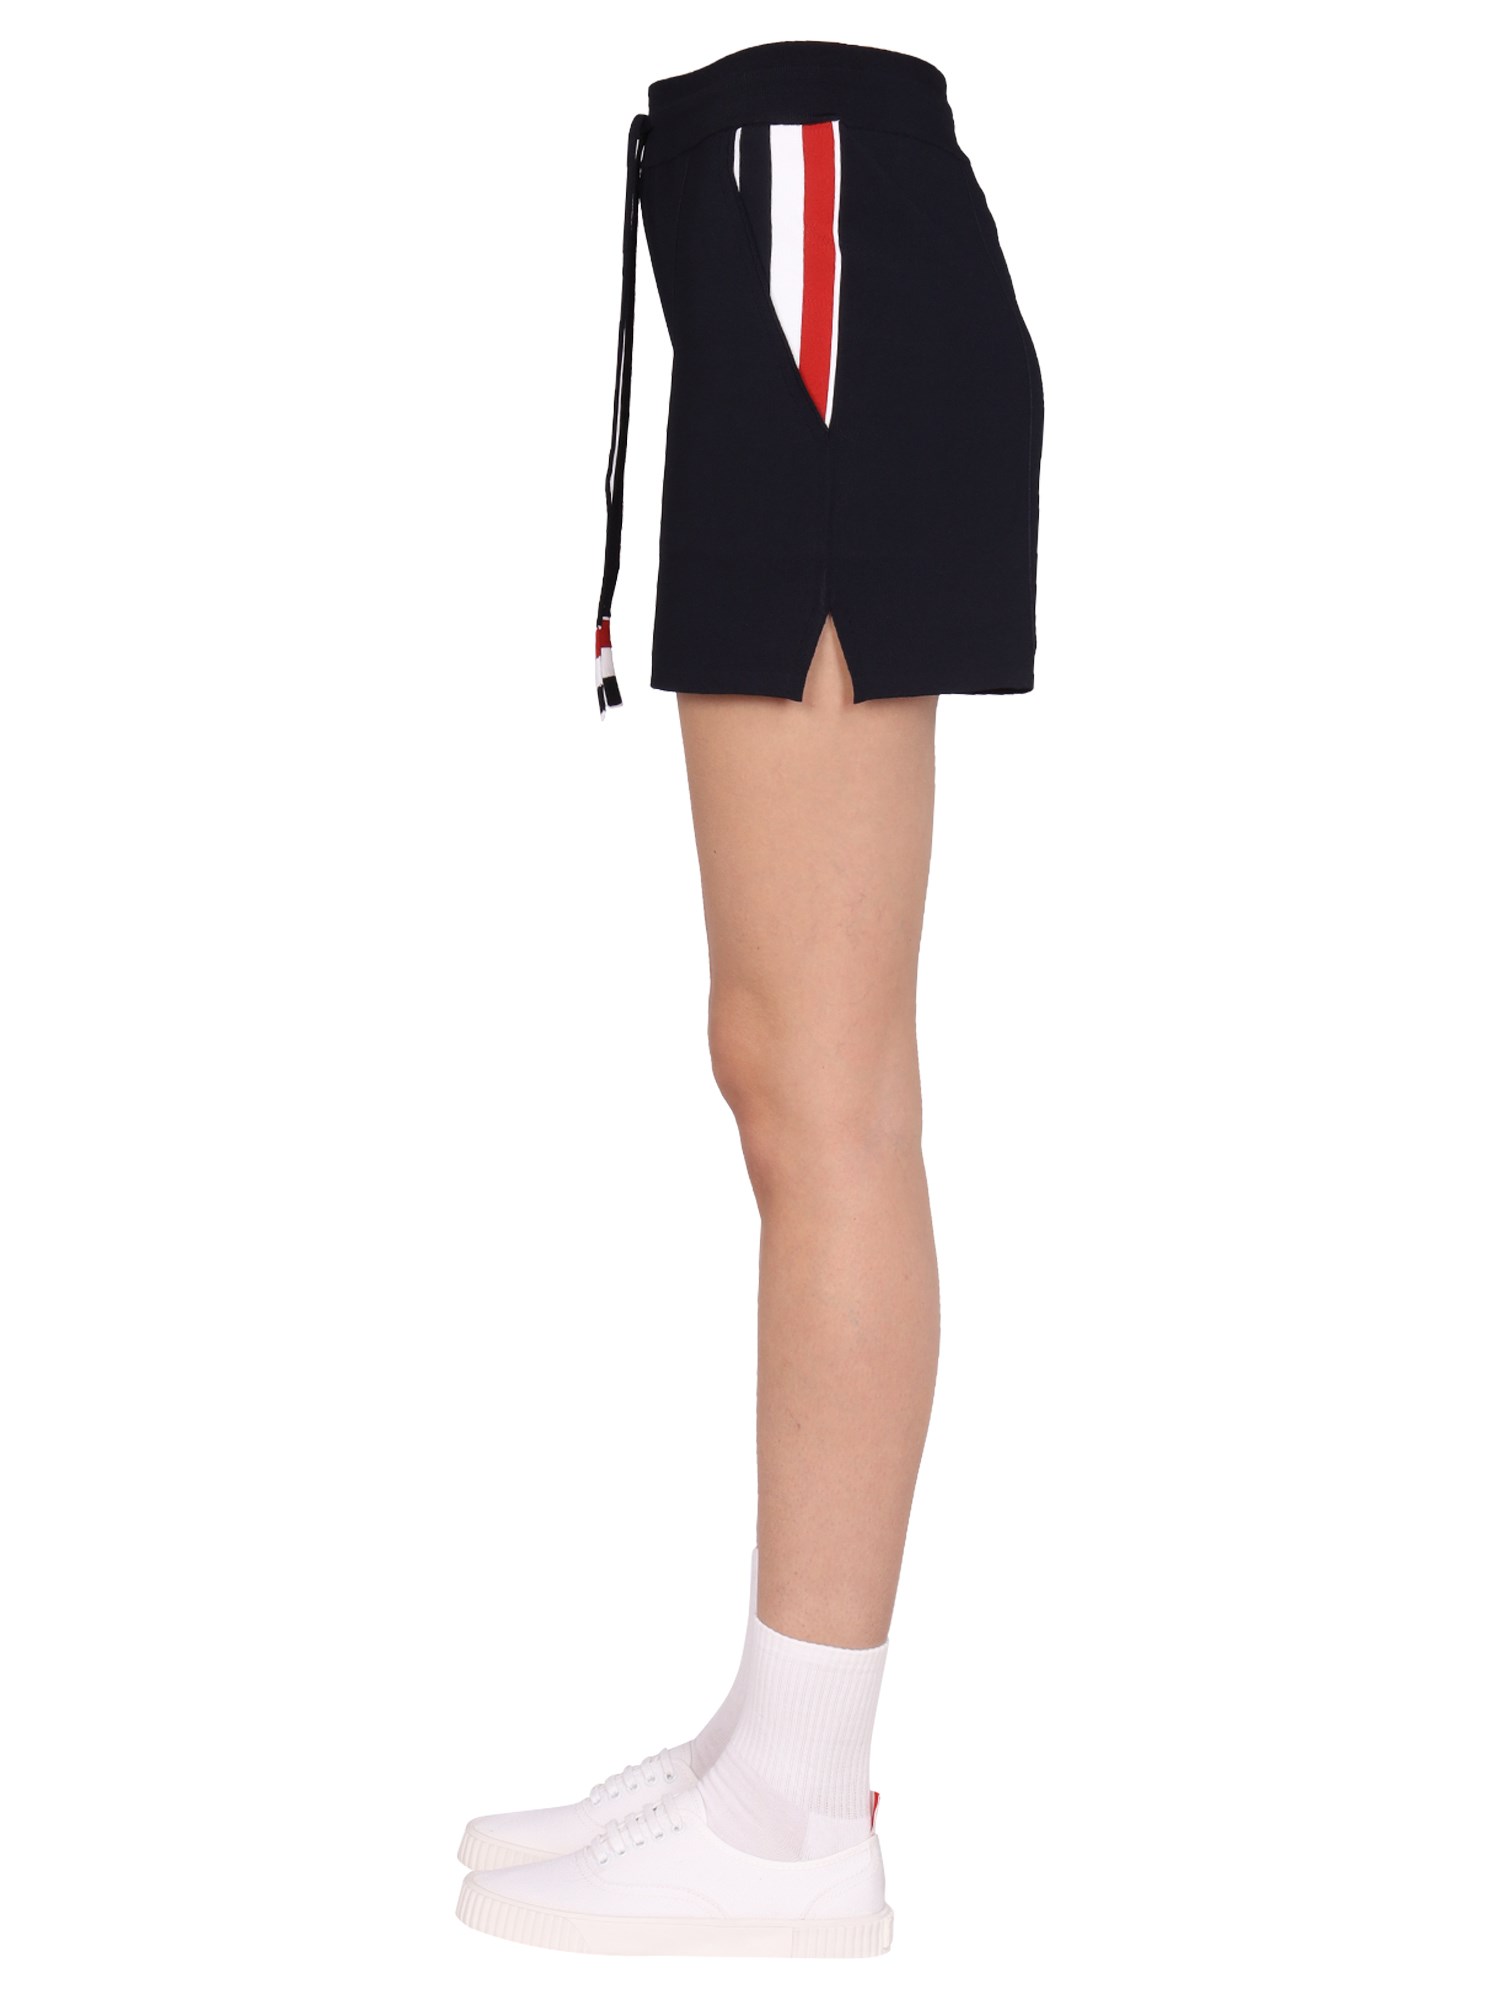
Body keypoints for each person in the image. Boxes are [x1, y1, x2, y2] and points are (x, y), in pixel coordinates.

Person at [457, 39, 1043, 1958]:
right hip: (778, 234)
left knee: (827, 1086)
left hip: (820, 232)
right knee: (779, 1063)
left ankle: (796, 1822)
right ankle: (761, 1753)